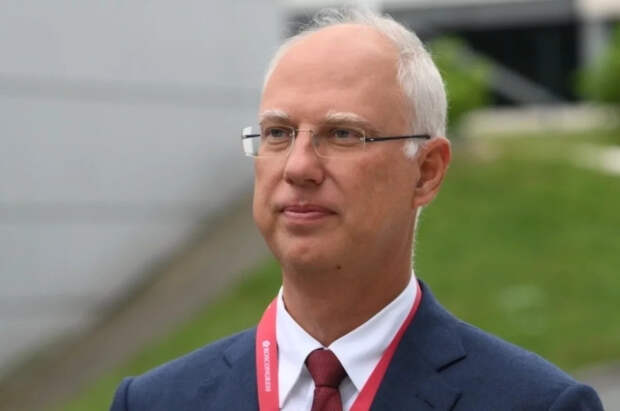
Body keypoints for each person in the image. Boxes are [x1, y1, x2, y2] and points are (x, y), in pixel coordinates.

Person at [110, 7, 603, 411]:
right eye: (278, 133)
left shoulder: (535, 403)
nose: (298, 167)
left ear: (426, 171)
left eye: (342, 134)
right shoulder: (154, 402)